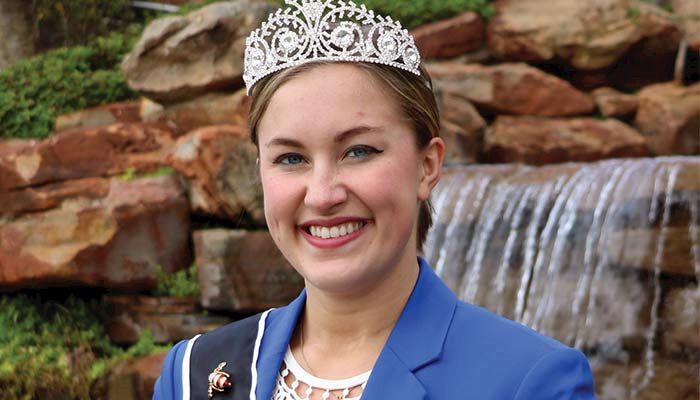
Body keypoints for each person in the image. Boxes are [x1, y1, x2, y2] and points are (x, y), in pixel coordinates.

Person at [153, 1, 596, 399]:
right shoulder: (192, 373)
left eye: (359, 151)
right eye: (291, 158)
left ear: (427, 165)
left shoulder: (530, 380)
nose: (323, 195)